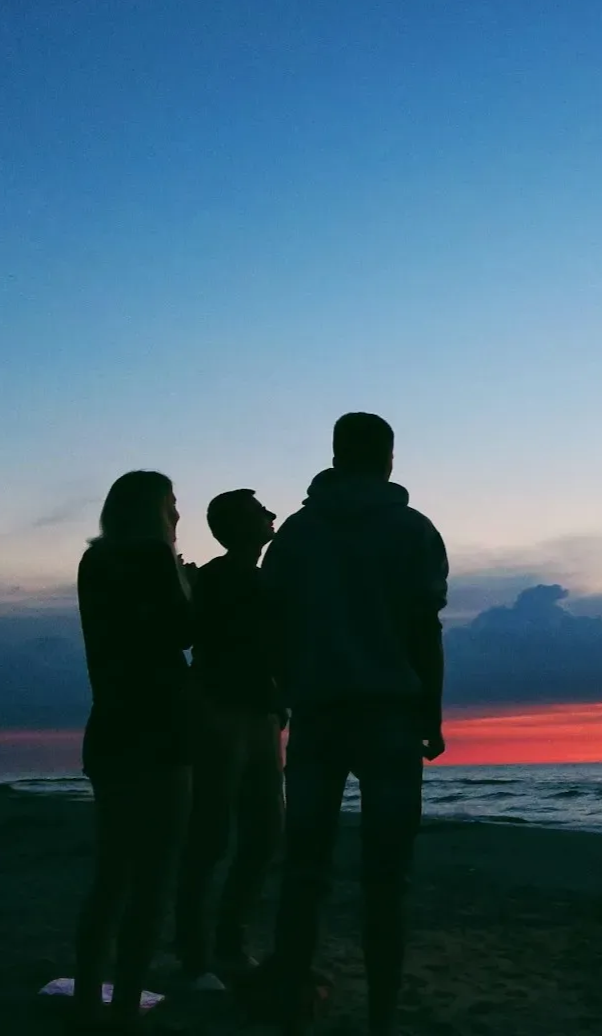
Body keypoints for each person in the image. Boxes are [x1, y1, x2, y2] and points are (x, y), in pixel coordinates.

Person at [253, 413, 448, 1036]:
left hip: (317, 713)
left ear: (337, 456)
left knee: (304, 869)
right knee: (387, 878)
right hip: (390, 715)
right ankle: (381, 1018)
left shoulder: (298, 534)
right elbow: (424, 630)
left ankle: (290, 1003)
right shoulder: (413, 531)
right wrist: (431, 712)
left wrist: (288, 686)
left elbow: (272, 623)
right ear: (388, 459)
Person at [72, 471, 199, 1030]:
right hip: (161, 729)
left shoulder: (94, 562)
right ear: (154, 510)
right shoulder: (153, 559)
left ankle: (86, 997)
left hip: (110, 728)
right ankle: (125, 1002)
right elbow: (182, 631)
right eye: (172, 503)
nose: (178, 514)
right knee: (152, 878)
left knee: (111, 874)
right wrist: (188, 583)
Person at [173, 489, 284, 988]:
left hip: (259, 715)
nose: (272, 515)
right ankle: (199, 948)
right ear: (239, 525)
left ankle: (223, 941)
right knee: (214, 834)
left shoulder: (255, 579)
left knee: (261, 833)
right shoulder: (218, 579)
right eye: (261, 511)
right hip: (222, 714)